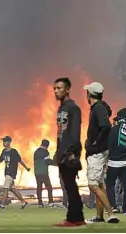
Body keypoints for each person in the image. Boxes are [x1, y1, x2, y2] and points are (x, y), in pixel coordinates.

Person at [82, 82, 119, 224]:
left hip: (96, 153)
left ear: (89, 94)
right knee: (99, 184)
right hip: (99, 152)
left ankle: (111, 214)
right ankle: (99, 216)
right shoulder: (100, 108)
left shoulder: (98, 108)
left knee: (93, 185)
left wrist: (94, 144)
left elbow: (106, 127)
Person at [52, 77, 85, 227]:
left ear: (67, 89)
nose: (56, 91)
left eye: (59, 88)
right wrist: (58, 151)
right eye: (55, 89)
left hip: (69, 153)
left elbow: (75, 132)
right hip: (62, 152)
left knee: (70, 186)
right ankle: (77, 217)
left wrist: (72, 152)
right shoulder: (61, 109)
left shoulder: (73, 108)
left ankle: (73, 218)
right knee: (68, 185)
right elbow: (61, 133)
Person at [105, 108, 126, 217]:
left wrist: (107, 159)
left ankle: (113, 206)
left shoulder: (114, 129)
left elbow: (108, 146)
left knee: (109, 184)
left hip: (114, 163)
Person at [0, 136, 30, 208]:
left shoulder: (13, 151)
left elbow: (20, 160)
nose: (3, 143)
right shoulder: (4, 151)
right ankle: (23, 202)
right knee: (12, 189)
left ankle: (3, 204)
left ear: (9, 142)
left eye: (5, 141)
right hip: (6, 172)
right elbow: (0, 160)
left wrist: (26, 168)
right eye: (3, 141)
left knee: (5, 188)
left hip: (11, 172)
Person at [33, 139, 54, 207]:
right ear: (47, 145)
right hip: (44, 172)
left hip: (37, 172)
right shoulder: (45, 152)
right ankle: (50, 202)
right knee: (49, 188)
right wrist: (57, 163)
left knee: (39, 187)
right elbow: (47, 161)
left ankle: (40, 203)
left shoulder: (36, 152)